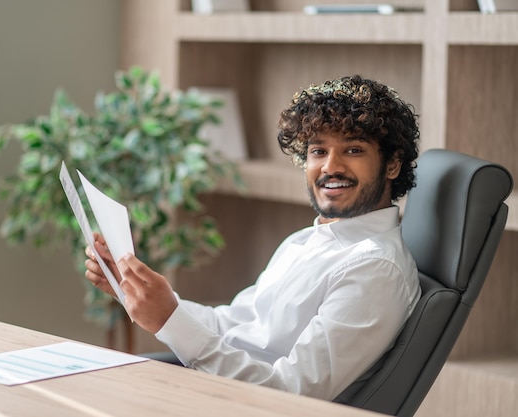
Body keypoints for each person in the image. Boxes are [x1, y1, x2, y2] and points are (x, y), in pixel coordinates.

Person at [84, 75, 421, 401]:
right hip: (219, 388)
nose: (330, 166)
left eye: (353, 150)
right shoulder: (305, 241)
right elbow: (227, 324)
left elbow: (290, 395)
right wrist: (139, 294)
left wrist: (168, 320)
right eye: (318, 151)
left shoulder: (374, 269)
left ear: (392, 164)